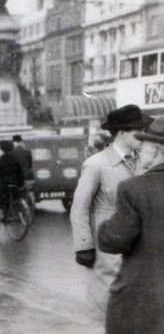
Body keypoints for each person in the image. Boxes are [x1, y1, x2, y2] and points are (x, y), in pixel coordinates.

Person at [70, 104, 152, 318]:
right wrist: (83, 246)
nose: (143, 135)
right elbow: (79, 207)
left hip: (138, 240)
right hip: (108, 243)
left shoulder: (143, 162)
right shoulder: (96, 165)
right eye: (138, 131)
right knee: (109, 301)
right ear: (122, 132)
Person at [97, 118, 164, 334]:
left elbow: (115, 239)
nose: (140, 154)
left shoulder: (133, 189)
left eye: (143, 149)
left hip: (146, 304)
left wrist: (103, 228)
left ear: (154, 153)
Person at [0, 140, 24, 230]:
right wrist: (20, 184)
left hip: (4, 184)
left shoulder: (0, 160)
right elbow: (20, 173)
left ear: (2, 149)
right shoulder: (16, 159)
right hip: (15, 184)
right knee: (14, 198)